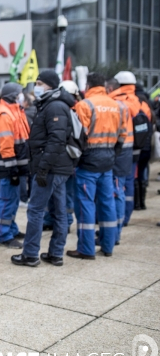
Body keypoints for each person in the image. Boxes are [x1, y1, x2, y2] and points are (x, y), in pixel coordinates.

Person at [11, 72, 75, 267]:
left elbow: (56, 140)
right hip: (57, 167)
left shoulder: (54, 106)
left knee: (36, 211)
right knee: (59, 211)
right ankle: (55, 254)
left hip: (50, 168)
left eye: (39, 83)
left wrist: (43, 169)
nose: (36, 86)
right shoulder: (50, 104)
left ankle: (30, 254)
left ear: (50, 85)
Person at [69, 73, 126, 259]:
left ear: (88, 85)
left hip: (88, 163)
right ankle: (108, 246)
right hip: (108, 161)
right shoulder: (116, 105)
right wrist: (112, 153)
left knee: (85, 205)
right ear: (105, 85)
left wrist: (75, 159)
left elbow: (78, 137)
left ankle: (86, 249)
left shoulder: (85, 105)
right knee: (107, 203)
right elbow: (123, 135)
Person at [109, 71, 152, 227]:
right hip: (137, 148)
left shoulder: (116, 102)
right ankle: (125, 218)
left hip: (120, 149)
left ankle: (115, 221)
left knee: (117, 186)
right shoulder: (142, 103)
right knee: (129, 183)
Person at [0, 83, 30, 249]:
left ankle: (11, 229)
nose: (22, 95)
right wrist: (12, 167)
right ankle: (5, 235)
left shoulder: (16, 111)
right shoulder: (5, 114)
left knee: (12, 199)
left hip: (14, 164)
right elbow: (6, 144)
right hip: (8, 165)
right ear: (14, 95)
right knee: (7, 200)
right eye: (20, 93)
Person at [42, 80, 80, 232]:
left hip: (64, 159)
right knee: (64, 194)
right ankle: (62, 221)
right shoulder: (71, 108)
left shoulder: (63, 108)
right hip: (70, 159)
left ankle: (60, 222)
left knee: (60, 193)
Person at [101, 78, 132, 245]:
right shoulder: (122, 103)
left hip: (118, 152)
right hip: (124, 152)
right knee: (118, 191)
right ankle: (114, 233)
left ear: (110, 87)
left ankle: (113, 235)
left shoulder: (115, 104)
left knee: (115, 192)